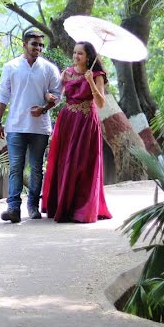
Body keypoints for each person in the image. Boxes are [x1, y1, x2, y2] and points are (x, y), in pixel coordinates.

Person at [0, 29, 62, 223]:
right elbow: (3, 95)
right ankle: (13, 207)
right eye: (34, 44)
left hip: (39, 127)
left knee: (36, 168)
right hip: (15, 125)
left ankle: (33, 205)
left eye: (41, 45)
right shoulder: (11, 66)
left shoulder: (49, 69)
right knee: (15, 167)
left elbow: (57, 96)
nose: (38, 48)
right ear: (24, 45)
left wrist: (44, 107)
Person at [41, 41, 113, 223]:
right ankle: (64, 206)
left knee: (83, 164)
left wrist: (91, 82)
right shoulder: (67, 73)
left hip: (87, 121)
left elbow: (101, 103)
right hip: (68, 120)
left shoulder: (97, 75)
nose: (75, 56)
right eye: (74, 53)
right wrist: (49, 97)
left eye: (79, 53)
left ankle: (82, 210)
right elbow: (57, 97)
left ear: (88, 56)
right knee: (66, 162)